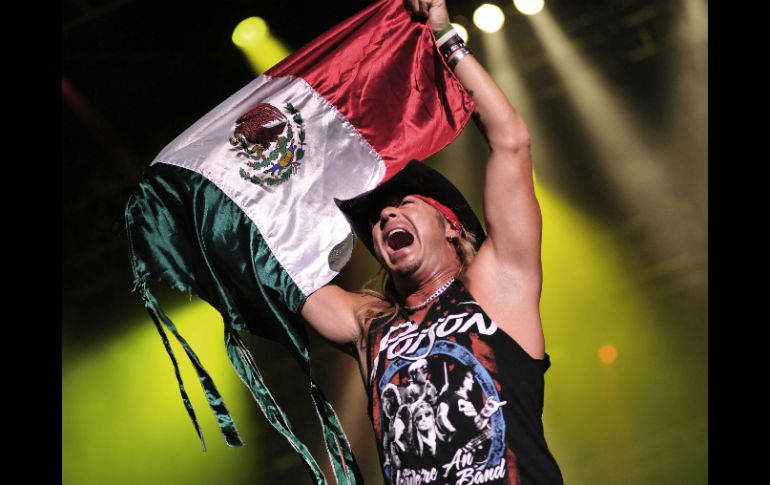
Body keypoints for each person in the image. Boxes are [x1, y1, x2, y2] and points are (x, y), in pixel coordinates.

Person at [300, 0, 564, 483]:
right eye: (379, 217)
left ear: (449, 226)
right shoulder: (369, 326)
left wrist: (445, 38)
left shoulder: (496, 286)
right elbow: (281, 272)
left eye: (405, 204)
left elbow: (511, 141)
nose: (386, 215)